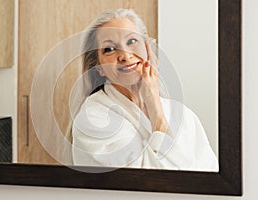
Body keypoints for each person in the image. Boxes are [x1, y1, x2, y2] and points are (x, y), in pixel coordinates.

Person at [71, 8, 218, 171]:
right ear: (98, 67)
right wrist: (155, 108)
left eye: (132, 41)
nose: (125, 56)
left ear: (148, 48)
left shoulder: (183, 115)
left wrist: (154, 102)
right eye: (109, 49)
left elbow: (210, 176)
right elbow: (151, 181)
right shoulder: (93, 118)